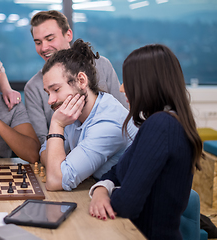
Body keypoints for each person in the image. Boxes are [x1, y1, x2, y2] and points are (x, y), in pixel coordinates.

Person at [88, 44, 202, 239]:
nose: (122, 88)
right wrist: (100, 189)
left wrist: (107, 193)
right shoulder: (165, 121)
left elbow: (127, 204)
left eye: (128, 81)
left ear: (146, 83)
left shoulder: (161, 125)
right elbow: (119, 170)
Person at [40, 39, 138, 191]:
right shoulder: (73, 114)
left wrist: (56, 125)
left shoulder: (108, 122)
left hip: (131, 207)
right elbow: (44, 154)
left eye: (56, 89)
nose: (50, 101)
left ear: (81, 80)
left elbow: (55, 181)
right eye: (48, 93)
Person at [24, 10, 128, 144]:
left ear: (68, 35)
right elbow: (44, 144)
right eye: (38, 42)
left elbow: (124, 115)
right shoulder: (33, 87)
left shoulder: (102, 65)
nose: (44, 48)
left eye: (50, 39)